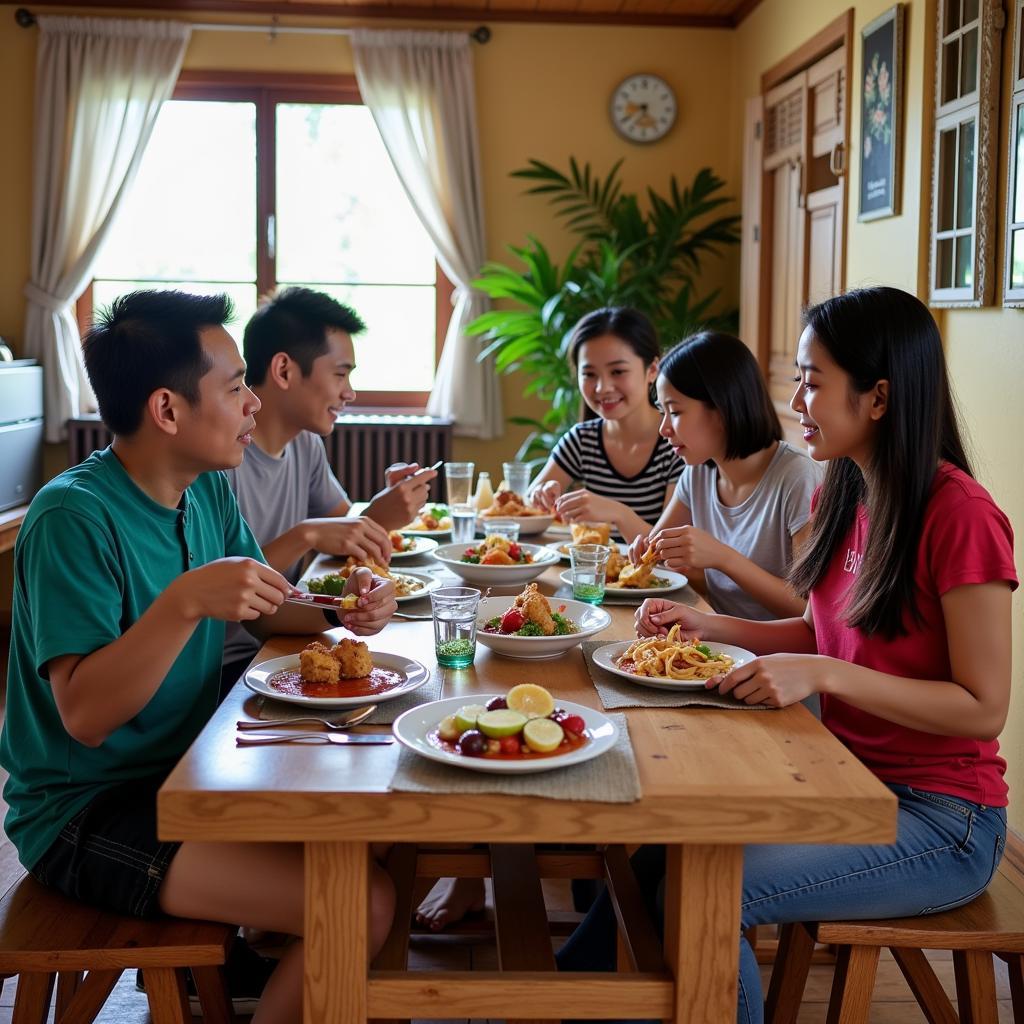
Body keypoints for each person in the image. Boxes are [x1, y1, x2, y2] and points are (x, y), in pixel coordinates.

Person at [556, 286, 1017, 1024]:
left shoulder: (959, 515)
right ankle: (560, 1004)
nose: (795, 397)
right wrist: (711, 630)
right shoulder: (852, 491)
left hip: (943, 818)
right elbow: (819, 631)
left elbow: (983, 706)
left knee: (709, 889)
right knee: (660, 856)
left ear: (877, 397)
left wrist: (828, 674)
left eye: (812, 379)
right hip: (848, 781)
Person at [0, 290, 399, 1024]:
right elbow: (84, 715)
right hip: (86, 810)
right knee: (359, 902)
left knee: (366, 836)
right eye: (235, 386)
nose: (253, 404)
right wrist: (185, 600)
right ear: (168, 410)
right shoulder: (73, 517)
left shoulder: (206, 491)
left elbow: (270, 603)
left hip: (185, 773)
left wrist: (346, 612)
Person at [220, 286, 438, 693]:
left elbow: (341, 532)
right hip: (234, 664)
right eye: (340, 373)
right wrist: (308, 533)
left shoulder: (305, 443)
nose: (350, 392)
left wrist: (381, 511)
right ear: (284, 370)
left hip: (284, 634)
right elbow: (230, 591)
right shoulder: (222, 461)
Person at [629, 331, 822, 620]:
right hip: (714, 643)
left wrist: (722, 558)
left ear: (721, 408)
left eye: (675, 411)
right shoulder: (697, 474)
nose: (664, 429)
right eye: (662, 411)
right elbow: (656, 554)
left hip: (775, 658)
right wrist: (649, 551)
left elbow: (809, 611)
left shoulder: (797, 477)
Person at [528, 307, 682, 542]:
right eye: (589, 374)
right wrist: (541, 494)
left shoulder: (677, 443)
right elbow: (529, 503)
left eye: (618, 371)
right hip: (590, 574)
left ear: (652, 370)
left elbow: (669, 546)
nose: (602, 388)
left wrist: (618, 513)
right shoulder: (582, 439)